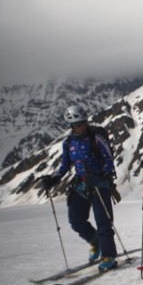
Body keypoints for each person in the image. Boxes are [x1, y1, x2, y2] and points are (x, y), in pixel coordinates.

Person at [41, 105, 119, 272]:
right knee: (76, 220)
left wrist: (100, 174)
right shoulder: (69, 143)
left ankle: (109, 256)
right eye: (77, 124)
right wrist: (53, 179)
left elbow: (109, 160)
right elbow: (64, 166)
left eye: (83, 123)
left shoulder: (96, 138)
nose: (81, 126)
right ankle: (95, 241)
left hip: (99, 184)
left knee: (103, 221)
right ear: (71, 125)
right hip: (81, 185)